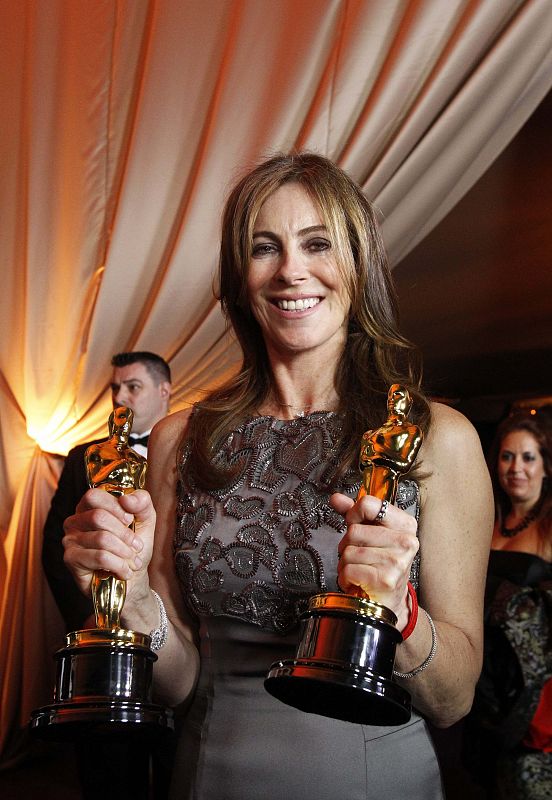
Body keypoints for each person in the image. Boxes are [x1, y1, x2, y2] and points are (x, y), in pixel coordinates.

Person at [63, 152, 494, 800]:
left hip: (379, 781)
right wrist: (132, 598)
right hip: (209, 775)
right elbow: (178, 680)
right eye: (265, 248)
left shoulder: (441, 438)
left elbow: (455, 698)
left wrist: (399, 613)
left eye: (316, 243)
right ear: (240, 278)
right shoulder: (182, 438)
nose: (292, 268)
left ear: (357, 262)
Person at [42, 351, 171, 632]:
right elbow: (55, 543)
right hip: (100, 619)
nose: (119, 396)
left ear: (164, 391)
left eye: (132, 387)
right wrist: (84, 617)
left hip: (176, 621)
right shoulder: (82, 457)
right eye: (115, 388)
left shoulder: (188, 452)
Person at [463, 412, 552, 798]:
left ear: (546, 465)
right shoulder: (486, 519)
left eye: (528, 457)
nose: (516, 468)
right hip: (484, 683)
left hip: (538, 691)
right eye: (506, 456)